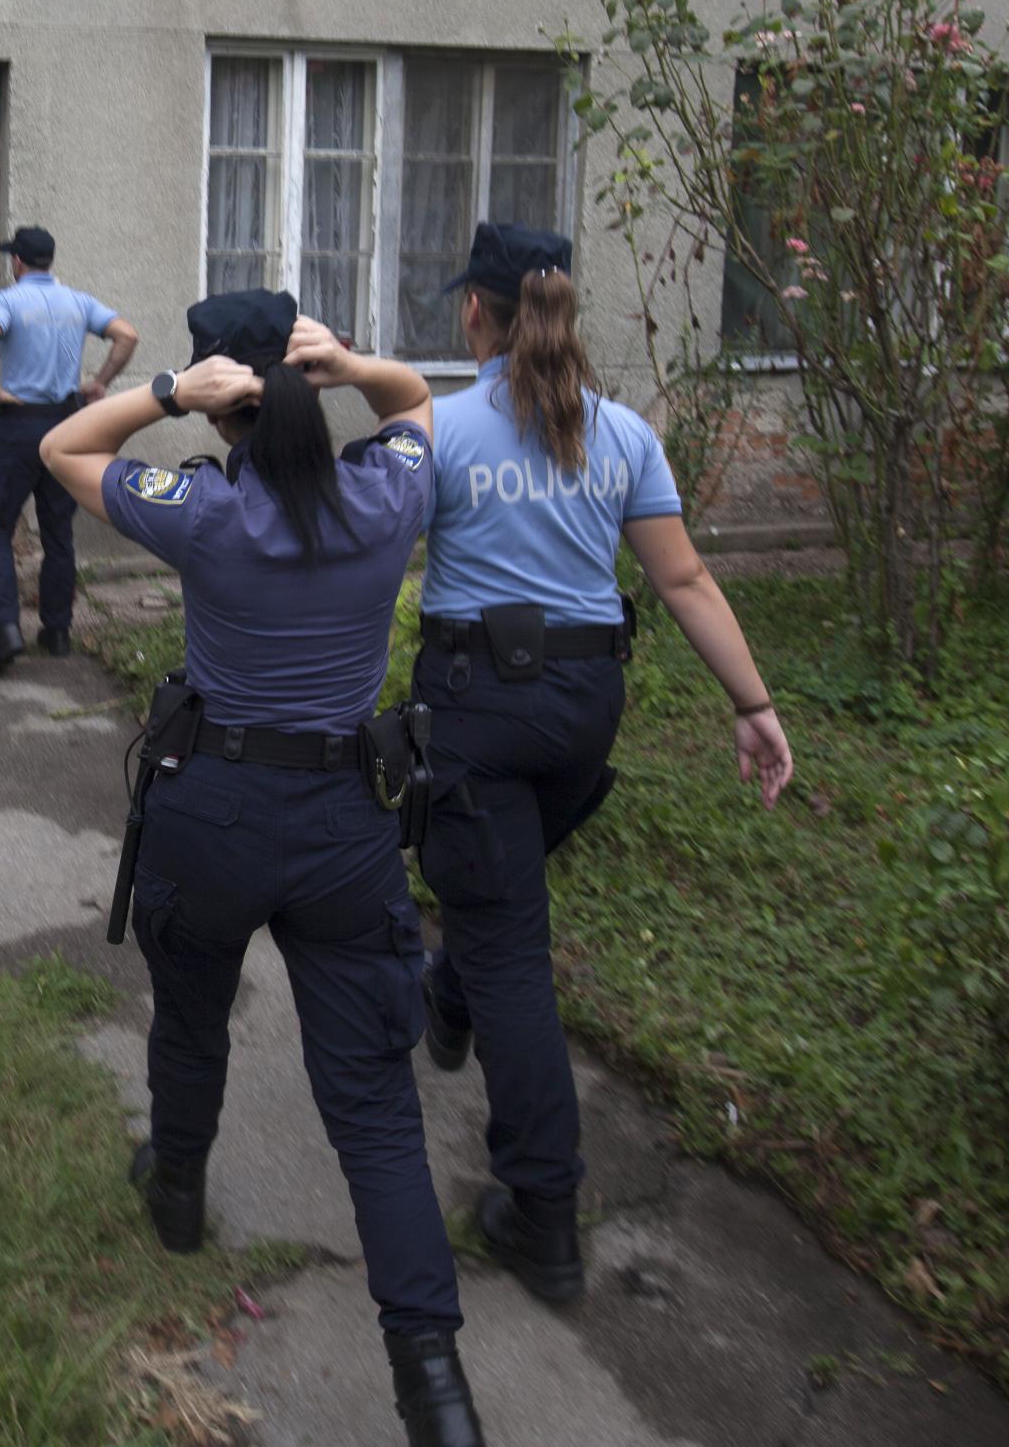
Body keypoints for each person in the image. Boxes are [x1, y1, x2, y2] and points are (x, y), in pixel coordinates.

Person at [42, 292, 486, 1447]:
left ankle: (178, 1194)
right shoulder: (387, 494)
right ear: (302, 378)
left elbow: (60, 447)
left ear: (217, 398)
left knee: (190, 1020)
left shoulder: (198, 508)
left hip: (214, 811)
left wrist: (158, 398)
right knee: (376, 1108)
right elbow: (418, 401)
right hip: (345, 822)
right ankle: (434, 1389)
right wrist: (346, 368)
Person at [369, 220, 794, 1310]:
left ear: (475, 310)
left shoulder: (440, 427)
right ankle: (450, 991)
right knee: (498, 890)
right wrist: (751, 703)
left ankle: (542, 1214)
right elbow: (684, 580)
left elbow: (368, 553)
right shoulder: (621, 435)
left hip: (475, 706)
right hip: (583, 710)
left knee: (509, 941)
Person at [0, 225, 140, 672]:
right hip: (68, 426)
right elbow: (128, 335)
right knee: (58, 531)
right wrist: (100, 382)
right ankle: (58, 631)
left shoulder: (5, 301)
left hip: (19, 425)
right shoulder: (79, 302)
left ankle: (6, 629)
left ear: (18, 263)